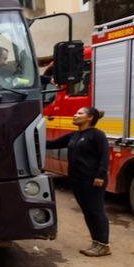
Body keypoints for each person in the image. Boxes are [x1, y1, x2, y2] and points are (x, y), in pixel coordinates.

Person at [48, 107, 111, 257]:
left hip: (93, 180)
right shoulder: (74, 135)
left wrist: (100, 176)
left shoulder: (97, 135)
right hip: (77, 180)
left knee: (96, 211)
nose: (75, 115)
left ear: (89, 118)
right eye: (75, 112)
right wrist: (30, 137)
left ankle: (104, 245)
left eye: (80, 113)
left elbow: (104, 157)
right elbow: (51, 144)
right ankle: (96, 242)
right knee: (87, 211)